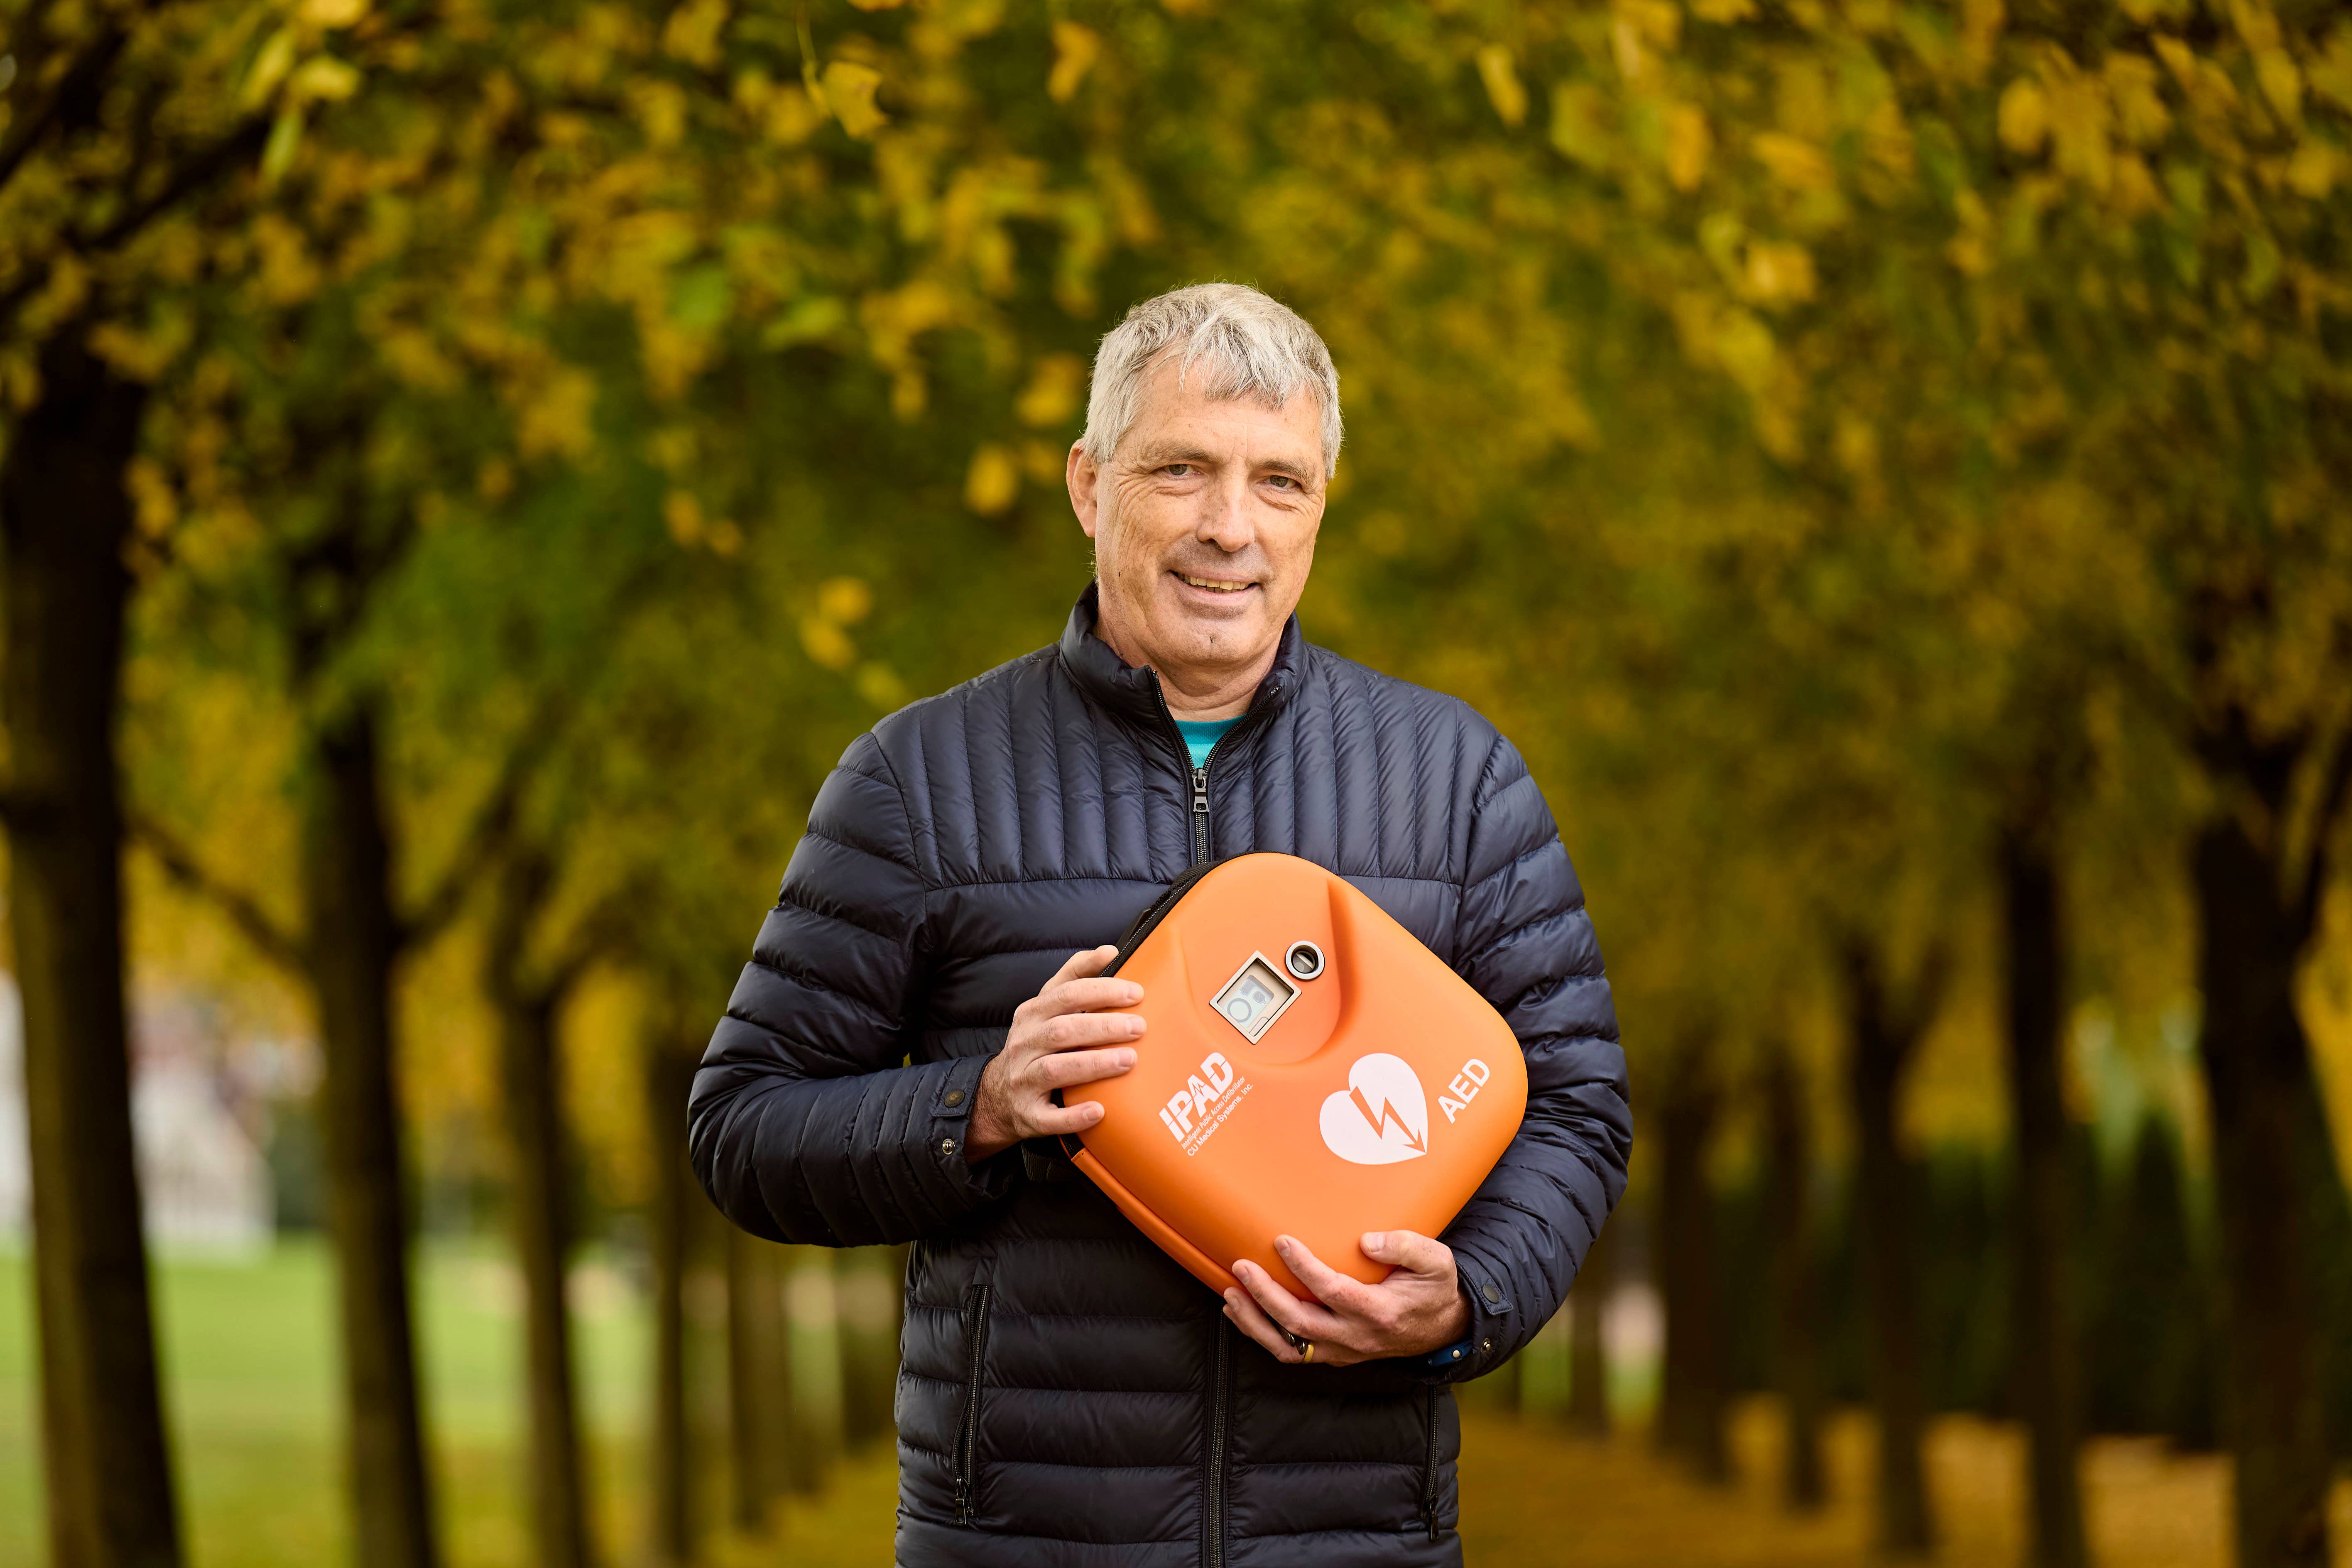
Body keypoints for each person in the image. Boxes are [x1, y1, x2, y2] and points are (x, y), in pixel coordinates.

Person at [689, 283, 1630, 1566]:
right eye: (1181, 469)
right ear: (1090, 485)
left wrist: (1471, 1299)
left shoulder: (1453, 781)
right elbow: (742, 1127)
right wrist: (980, 1105)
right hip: (1025, 1542)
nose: (1229, 528)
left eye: (1279, 482)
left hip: (1354, 1538)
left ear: (1320, 505)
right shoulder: (918, 780)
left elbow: (1578, 1104)